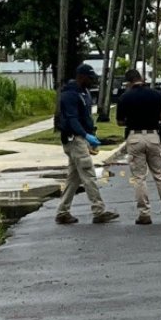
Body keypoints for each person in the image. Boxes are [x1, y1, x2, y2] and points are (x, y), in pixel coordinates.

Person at [54, 64, 119, 225]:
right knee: (89, 174)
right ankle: (99, 211)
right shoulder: (70, 94)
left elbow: (86, 118)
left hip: (81, 138)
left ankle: (62, 212)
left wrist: (91, 135)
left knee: (74, 178)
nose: (92, 80)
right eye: (90, 78)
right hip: (74, 138)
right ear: (81, 76)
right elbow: (72, 118)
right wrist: (84, 135)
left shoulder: (84, 93)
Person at [116, 69, 161, 225]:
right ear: (141, 79)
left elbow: (120, 122)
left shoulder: (125, 97)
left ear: (128, 82)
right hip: (153, 135)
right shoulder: (155, 94)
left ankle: (145, 213)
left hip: (134, 137)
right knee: (160, 174)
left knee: (139, 178)